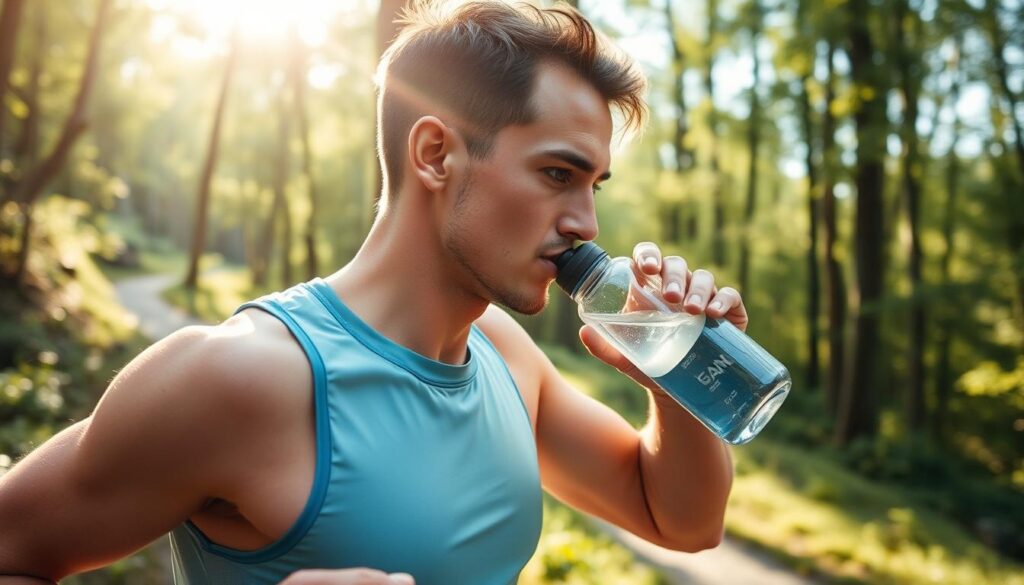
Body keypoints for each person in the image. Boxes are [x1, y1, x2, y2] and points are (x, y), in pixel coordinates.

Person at [0, 2, 745, 583]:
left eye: (594, 185)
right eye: (558, 174)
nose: (586, 224)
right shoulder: (237, 377)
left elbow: (678, 520)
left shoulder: (505, 356)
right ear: (435, 154)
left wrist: (679, 374)